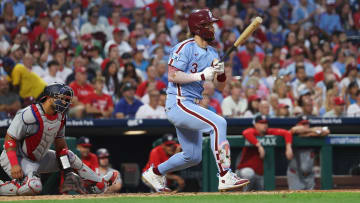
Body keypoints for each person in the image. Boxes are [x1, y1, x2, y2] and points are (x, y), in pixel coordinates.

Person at [142, 9, 249, 193]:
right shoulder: (185, 47)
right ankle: (225, 175)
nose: (213, 28)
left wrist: (220, 73)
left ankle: (155, 172)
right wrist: (201, 75)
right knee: (218, 123)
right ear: (199, 27)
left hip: (191, 104)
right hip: (178, 102)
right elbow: (172, 75)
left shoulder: (213, 52)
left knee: (192, 156)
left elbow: (221, 87)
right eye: (209, 24)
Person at [0, 84, 117, 195]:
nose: (65, 103)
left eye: (67, 100)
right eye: (62, 99)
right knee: (34, 186)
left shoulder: (61, 117)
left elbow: (61, 148)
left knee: (69, 155)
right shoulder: (28, 114)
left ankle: (99, 183)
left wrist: (68, 172)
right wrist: (14, 164)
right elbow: (10, 139)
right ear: (49, 98)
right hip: (16, 158)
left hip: (37, 158)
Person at [236, 115, 293, 191]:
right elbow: (246, 132)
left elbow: (287, 133)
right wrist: (258, 145)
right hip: (244, 171)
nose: (264, 125)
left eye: (266, 123)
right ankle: (244, 194)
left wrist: (288, 147)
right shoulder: (252, 131)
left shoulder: (269, 132)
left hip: (260, 174)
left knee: (264, 190)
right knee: (249, 173)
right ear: (255, 124)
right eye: (261, 123)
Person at [288, 116, 330, 190]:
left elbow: (326, 131)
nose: (305, 126)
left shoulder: (312, 134)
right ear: (297, 125)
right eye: (302, 124)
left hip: (309, 175)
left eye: (306, 124)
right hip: (296, 174)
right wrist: (314, 130)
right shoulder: (293, 133)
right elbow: (294, 130)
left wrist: (308, 133)